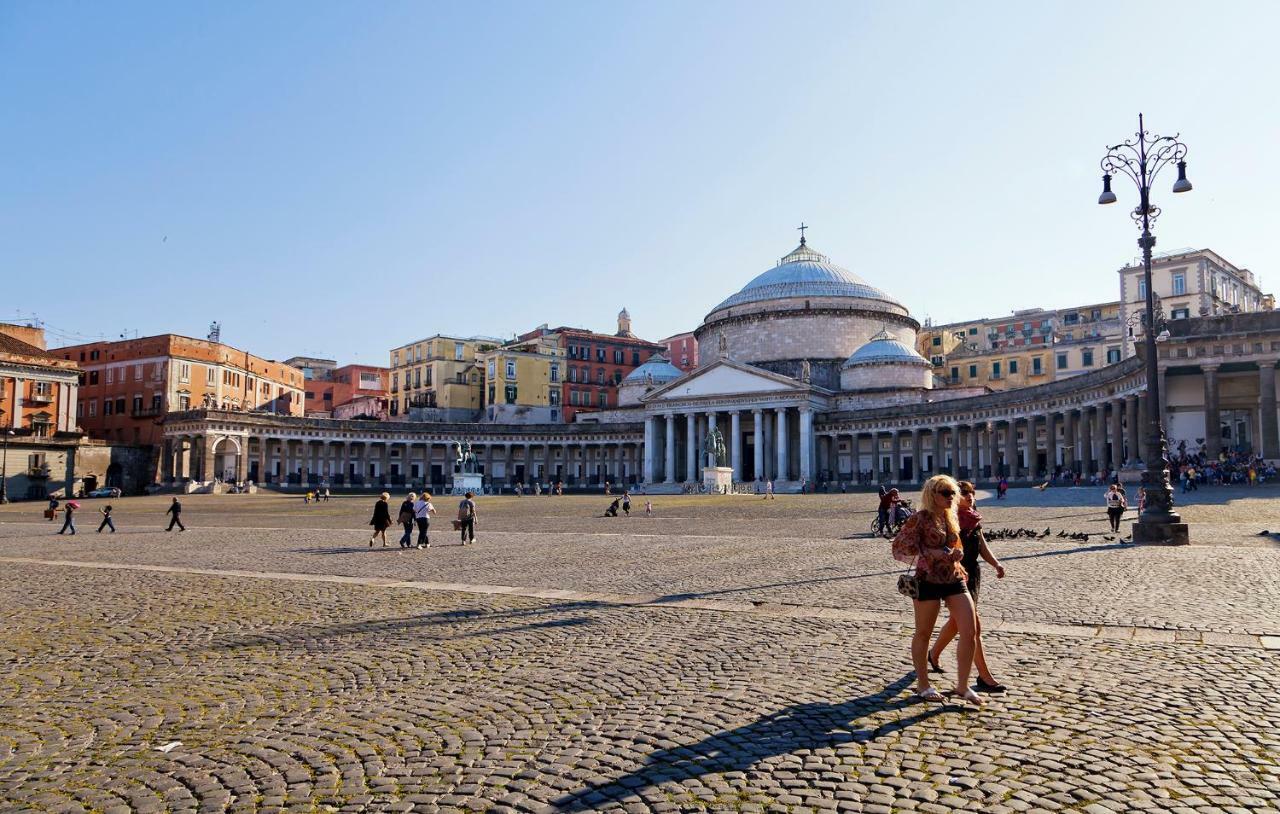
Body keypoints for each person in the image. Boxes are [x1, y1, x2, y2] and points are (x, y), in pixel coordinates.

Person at [892, 474, 981, 706]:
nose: (952, 497)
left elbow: (956, 543)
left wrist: (957, 553)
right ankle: (923, 684)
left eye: (953, 492)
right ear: (932, 495)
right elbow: (901, 545)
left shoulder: (950, 517)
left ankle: (962, 686)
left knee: (969, 630)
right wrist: (931, 553)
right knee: (923, 633)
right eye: (945, 493)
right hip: (928, 579)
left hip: (953, 576)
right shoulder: (919, 518)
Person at [928, 481, 1006, 693]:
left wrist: (996, 563)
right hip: (956, 575)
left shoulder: (973, 517)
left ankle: (933, 654)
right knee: (973, 627)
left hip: (973, 575)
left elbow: (981, 545)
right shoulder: (949, 520)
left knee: (957, 622)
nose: (970, 497)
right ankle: (984, 677)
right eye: (964, 494)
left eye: (972, 493)